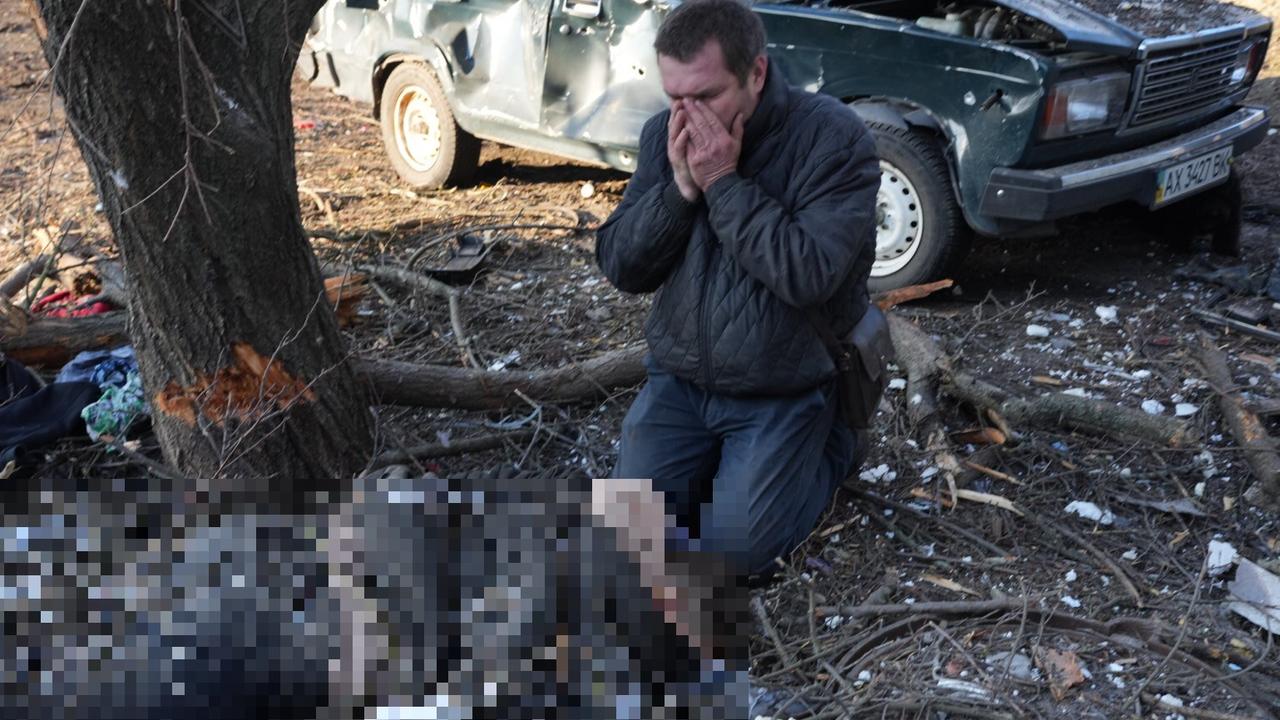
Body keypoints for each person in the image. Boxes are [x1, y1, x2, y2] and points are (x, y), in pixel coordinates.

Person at [596, 0, 880, 582]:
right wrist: (678, 190)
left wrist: (724, 182)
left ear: (756, 73)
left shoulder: (834, 140)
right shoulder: (663, 136)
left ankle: (833, 449)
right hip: (679, 380)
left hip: (784, 385)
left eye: (705, 97)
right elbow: (623, 266)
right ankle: (727, 474)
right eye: (675, 97)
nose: (687, 117)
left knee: (731, 560)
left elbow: (809, 274)